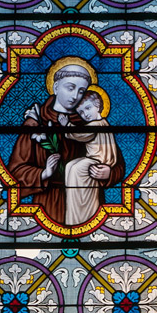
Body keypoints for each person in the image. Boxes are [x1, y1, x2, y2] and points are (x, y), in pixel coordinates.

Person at [6, 59, 124, 225]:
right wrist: (43, 174)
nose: (75, 96)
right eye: (70, 88)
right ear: (55, 87)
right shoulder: (36, 122)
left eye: (82, 91)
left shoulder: (89, 123)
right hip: (48, 205)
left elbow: (115, 162)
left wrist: (108, 174)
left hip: (87, 198)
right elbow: (16, 171)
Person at [62, 89, 117, 225]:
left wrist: (66, 125)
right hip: (95, 161)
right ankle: (73, 216)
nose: (85, 114)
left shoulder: (94, 125)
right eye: (81, 112)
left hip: (96, 162)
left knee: (75, 169)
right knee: (69, 166)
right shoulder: (104, 123)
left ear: (98, 106)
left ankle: (79, 218)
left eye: (87, 108)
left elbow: (79, 134)